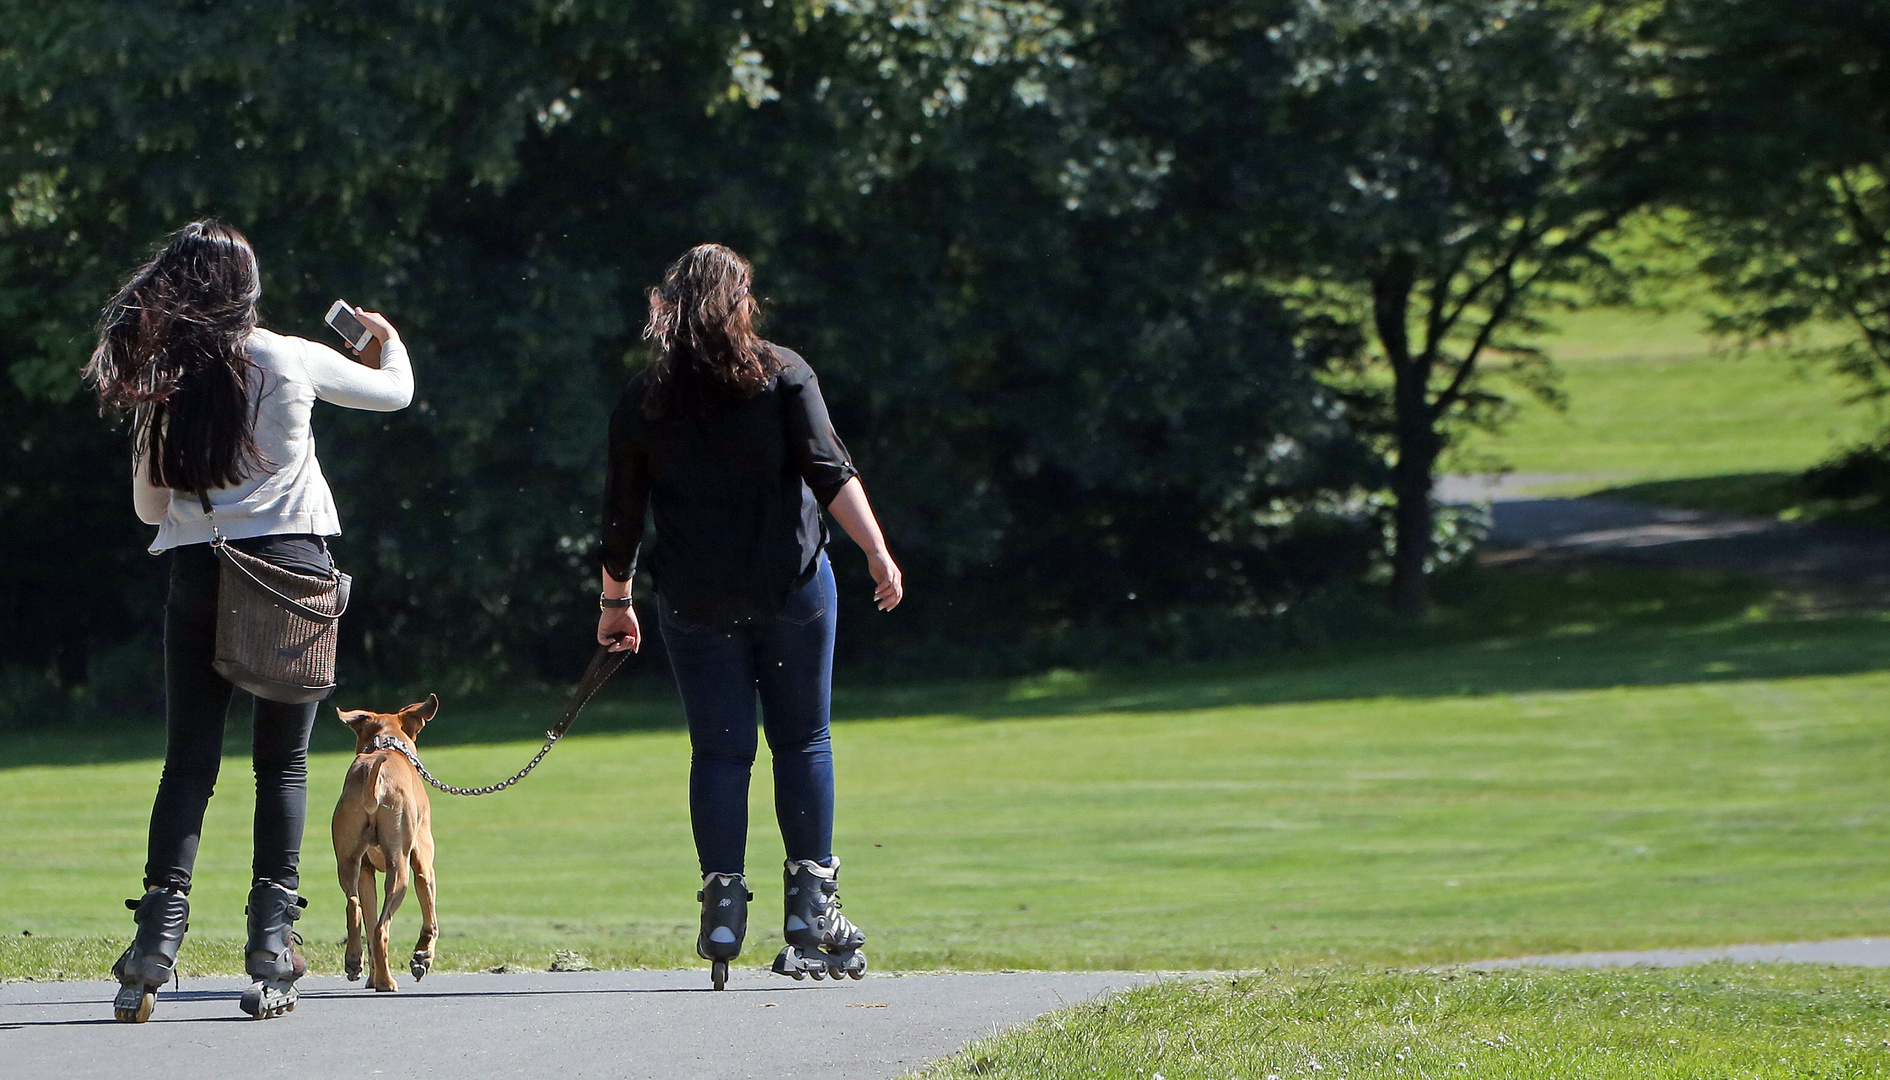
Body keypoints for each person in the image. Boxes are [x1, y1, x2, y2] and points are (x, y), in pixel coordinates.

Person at [84, 220, 413, 1021]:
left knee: (188, 765)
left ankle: (155, 944)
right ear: (246, 289)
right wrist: (388, 340)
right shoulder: (291, 355)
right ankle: (271, 943)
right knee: (284, 766)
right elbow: (395, 392)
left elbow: (147, 507)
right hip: (292, 575)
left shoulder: (164, 378)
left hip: (203, 571)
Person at [597, 243, 902, 988]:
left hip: (695, 602)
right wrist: (877, 551)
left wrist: (615, 602)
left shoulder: (644, 399)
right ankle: (809, 905)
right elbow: (831, 471)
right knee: (803, 741)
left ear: (668, 307)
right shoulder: (783, 372)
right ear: (740, 304)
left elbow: (621, 517)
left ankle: (724, 906)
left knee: (721, 753)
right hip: (792, 590)